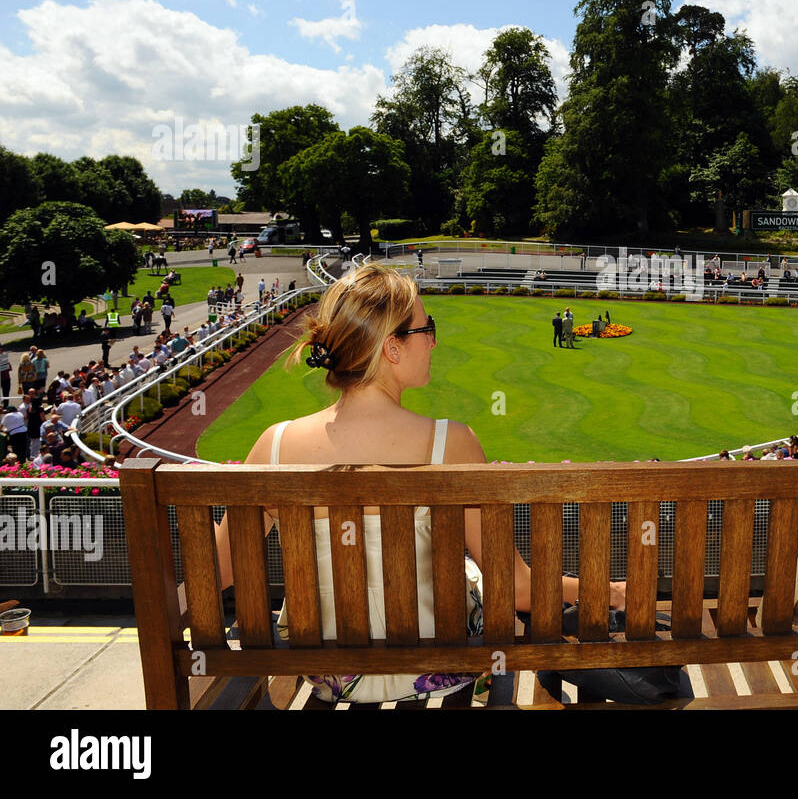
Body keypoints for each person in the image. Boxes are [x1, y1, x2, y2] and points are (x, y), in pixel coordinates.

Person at [202, 263, 625, 705]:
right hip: (437, 665)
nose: (435, 341)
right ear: (393, 349)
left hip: (328, 674)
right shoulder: (451, 443)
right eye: (428, 328)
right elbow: (516, 587)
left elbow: (218, 572)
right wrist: (609, 591)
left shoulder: (276, 445)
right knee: (474, 578)